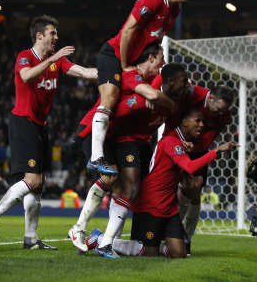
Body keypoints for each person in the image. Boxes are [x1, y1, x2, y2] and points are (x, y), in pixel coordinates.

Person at [0, 15, 97, 250]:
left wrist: (115, 74)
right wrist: (55, 57)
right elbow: (26, 76)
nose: (56, 37)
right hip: (23, 122)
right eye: (52, 33)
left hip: (40, 125)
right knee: (31, 179)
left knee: (40, 183)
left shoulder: (57, 61)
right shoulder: (25, 57)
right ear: (39, 35)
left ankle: (30, 239)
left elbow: (83, 72)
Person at [68, 62, 188, 256]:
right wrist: (81, 137)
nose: (162, 62)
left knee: (129, 189)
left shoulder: (163, 96)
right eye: (160, 56)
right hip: (111, 137)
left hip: (138, 144)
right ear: (150, 58)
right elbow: (113, 113)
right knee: (117, 182)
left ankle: (106, 240)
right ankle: (84, 231)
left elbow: (160, 90)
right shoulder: (137, 88)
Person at [85, 107, 238, 258]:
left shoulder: (180, 143)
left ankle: (155, 245)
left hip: (169, 207)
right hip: (151, 205)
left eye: (203, 121)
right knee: (149, 253)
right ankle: (98, 238)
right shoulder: (172, 142)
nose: (202, 125)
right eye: (198, 121)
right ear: (185, 122)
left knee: (179, 253)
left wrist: (182, 174)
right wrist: (217, 150)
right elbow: (190, 167)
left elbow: (175, 167)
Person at [87, 0, 194, 175]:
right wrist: (126, 64)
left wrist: (146, 79)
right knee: (109, 98)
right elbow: (128, 30)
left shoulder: (175, 11)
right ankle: (96, 155)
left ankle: (109, 147)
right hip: (114, 55)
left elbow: (154, 42)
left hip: (134, 62)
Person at [174, 84, 234, 255]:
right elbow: (173, 112)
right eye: (219, 108)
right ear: (210, 98)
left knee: (195, 188)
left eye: (225, 110)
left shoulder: (224, 115)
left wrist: (197, 145)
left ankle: (186, 238)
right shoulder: (192, 94)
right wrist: (179, 138)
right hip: (175, 144)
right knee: (171, 189)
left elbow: (211, 135)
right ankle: (171, 232)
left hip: (197, 150)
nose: (221, 113)